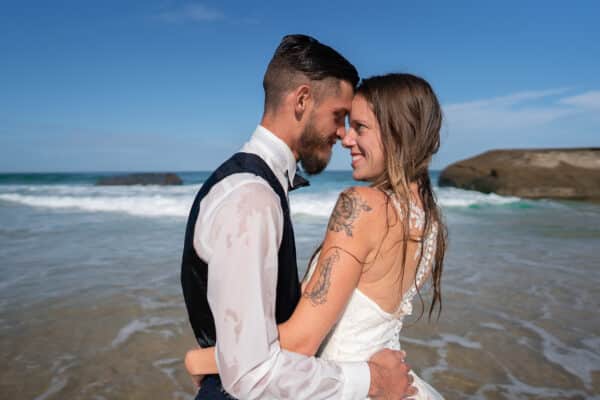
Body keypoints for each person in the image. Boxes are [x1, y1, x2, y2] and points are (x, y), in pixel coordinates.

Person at [185, 72, 448, 399]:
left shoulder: (363, 206)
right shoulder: (427, 220)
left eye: (361, 128)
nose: (347, 139)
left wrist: (201, 360)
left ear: (398, 133)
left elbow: (301, 341)